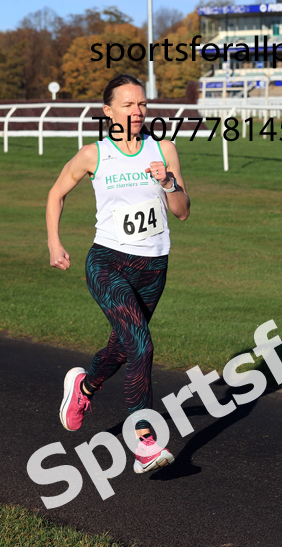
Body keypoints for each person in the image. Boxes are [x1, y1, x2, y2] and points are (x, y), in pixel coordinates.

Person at [48, 74, 190, 474]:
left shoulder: (163, 149)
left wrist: (168, 181)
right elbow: (56, 193)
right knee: (141, 345)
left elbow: (181, 210)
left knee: (125, 345)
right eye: (128, 105)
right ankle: (143, 439)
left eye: (142, 104)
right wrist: (54, 242)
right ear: (108, 111)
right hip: (107, 262)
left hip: (154, 266)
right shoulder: (93, 155)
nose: (137, 111)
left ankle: (84, 387)